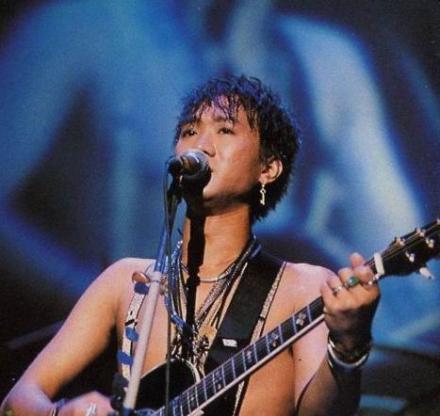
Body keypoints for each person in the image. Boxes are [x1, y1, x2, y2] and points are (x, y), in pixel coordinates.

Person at [1, 75, 380, 416]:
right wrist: (64, 412)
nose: (201, 145)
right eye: (189, 131)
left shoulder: (303, 288)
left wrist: (348, 346)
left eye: (225, 130)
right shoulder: (127, 283)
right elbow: (16, 403)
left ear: (268, 169)